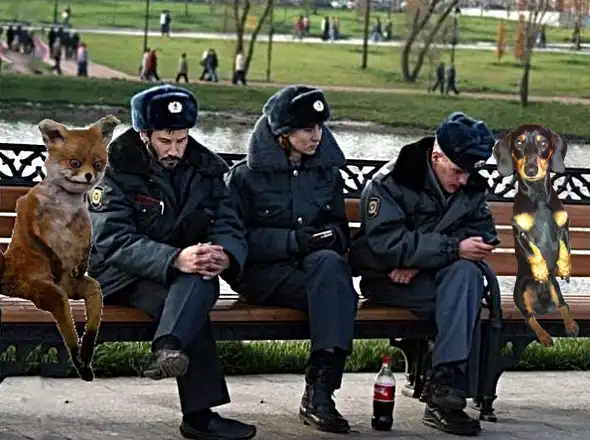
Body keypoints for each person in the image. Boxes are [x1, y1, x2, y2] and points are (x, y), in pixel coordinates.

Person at [87, 85, 256, 440]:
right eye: (165, 141)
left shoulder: (206, 168)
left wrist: (223, 254)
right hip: (119, 275)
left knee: (201, 279)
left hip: (181, 271)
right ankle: (199, 417)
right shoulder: (111, 169)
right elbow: (113, 240)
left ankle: (167, 348)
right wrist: (175, 258)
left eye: (182, 140)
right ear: (143, 134)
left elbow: (228, 223)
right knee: (188, 301)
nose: (175, 150)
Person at [349, 112, 499, 436]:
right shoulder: (391, 182)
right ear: (436, 157)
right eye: (457, 171)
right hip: (388, 281)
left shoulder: (470, 185)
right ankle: (445, 395)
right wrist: (451, 249)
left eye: (469, 172)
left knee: (466, 277)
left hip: (434, 278)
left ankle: (443, 386)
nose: (464, 180)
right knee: (463, 298)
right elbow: (386, 244)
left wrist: (420, 260)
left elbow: (484, 236)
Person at [225, 85, 358, 434]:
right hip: (262, 276)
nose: (317, 136)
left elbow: (340, 229)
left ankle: (321, 390)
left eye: (320, 127)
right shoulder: (244, 177)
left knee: (331, 268)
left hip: (313, 271)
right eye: (307, 129)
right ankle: (319, 394)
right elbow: (235, 240)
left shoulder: (327, 173)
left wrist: (330, 236)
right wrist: (292, 241)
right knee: (336, 291)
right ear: (283, 132)